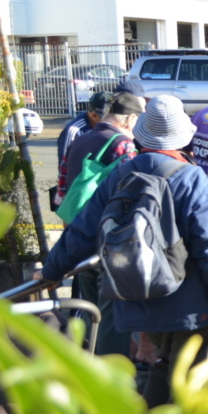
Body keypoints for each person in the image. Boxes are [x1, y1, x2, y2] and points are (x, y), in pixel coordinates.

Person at [41, 95, 208, 408]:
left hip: (139, 293)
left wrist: (51, 272)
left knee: (163, 368)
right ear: (183, 136)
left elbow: (83, 230)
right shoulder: (189, 176)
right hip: (189, 302)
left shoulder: (120, 173)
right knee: (189, 382)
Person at [57, 91, 145, 358]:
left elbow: (62, 189)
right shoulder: (123, 145)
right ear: (130, 119)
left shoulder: (81, 139)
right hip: (107, 237)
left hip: (78, 233)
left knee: (88, 304)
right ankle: (110, 373)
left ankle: (89, 363)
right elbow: (131, 194)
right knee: (111, 311)